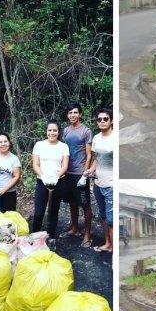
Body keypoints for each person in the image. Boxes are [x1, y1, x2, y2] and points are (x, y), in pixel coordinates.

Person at [61, 103, 93, 247]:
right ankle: (75, 228)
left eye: (75, 112)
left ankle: (87, 234)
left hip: (80, 173)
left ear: (80, 114)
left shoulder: (86, 131)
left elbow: (89, 154)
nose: (72, 115)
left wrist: (84, 175)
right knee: (72, 202)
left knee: (85, 204)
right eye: (70, 113)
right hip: (68, 172)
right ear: (67, 115)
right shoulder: (66, 131)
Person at [32, 120, 70, 242]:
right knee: (38, 213)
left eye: (55, 130)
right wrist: (43, 176)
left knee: (53, 211)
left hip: (58, 182)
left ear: (58, 132)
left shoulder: (63, 146)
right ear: (46, 131)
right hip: (42, 182)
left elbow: (64, 166)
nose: (52, 133)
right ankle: (35, 236)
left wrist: (56, 177)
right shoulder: (39, 145)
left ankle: (51, 235)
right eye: (49, 130)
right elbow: (35, 164)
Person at [86, 109, 113, 253]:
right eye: (99, 119)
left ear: (112, 121)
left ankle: (114, 250)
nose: (102, 121)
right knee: (103, 216)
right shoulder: (96, 138)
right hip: (98, 183)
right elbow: (97, 159)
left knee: (111, 220)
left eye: (105, 119)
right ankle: (108, 243)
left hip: (111, 185)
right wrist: (90, 170)